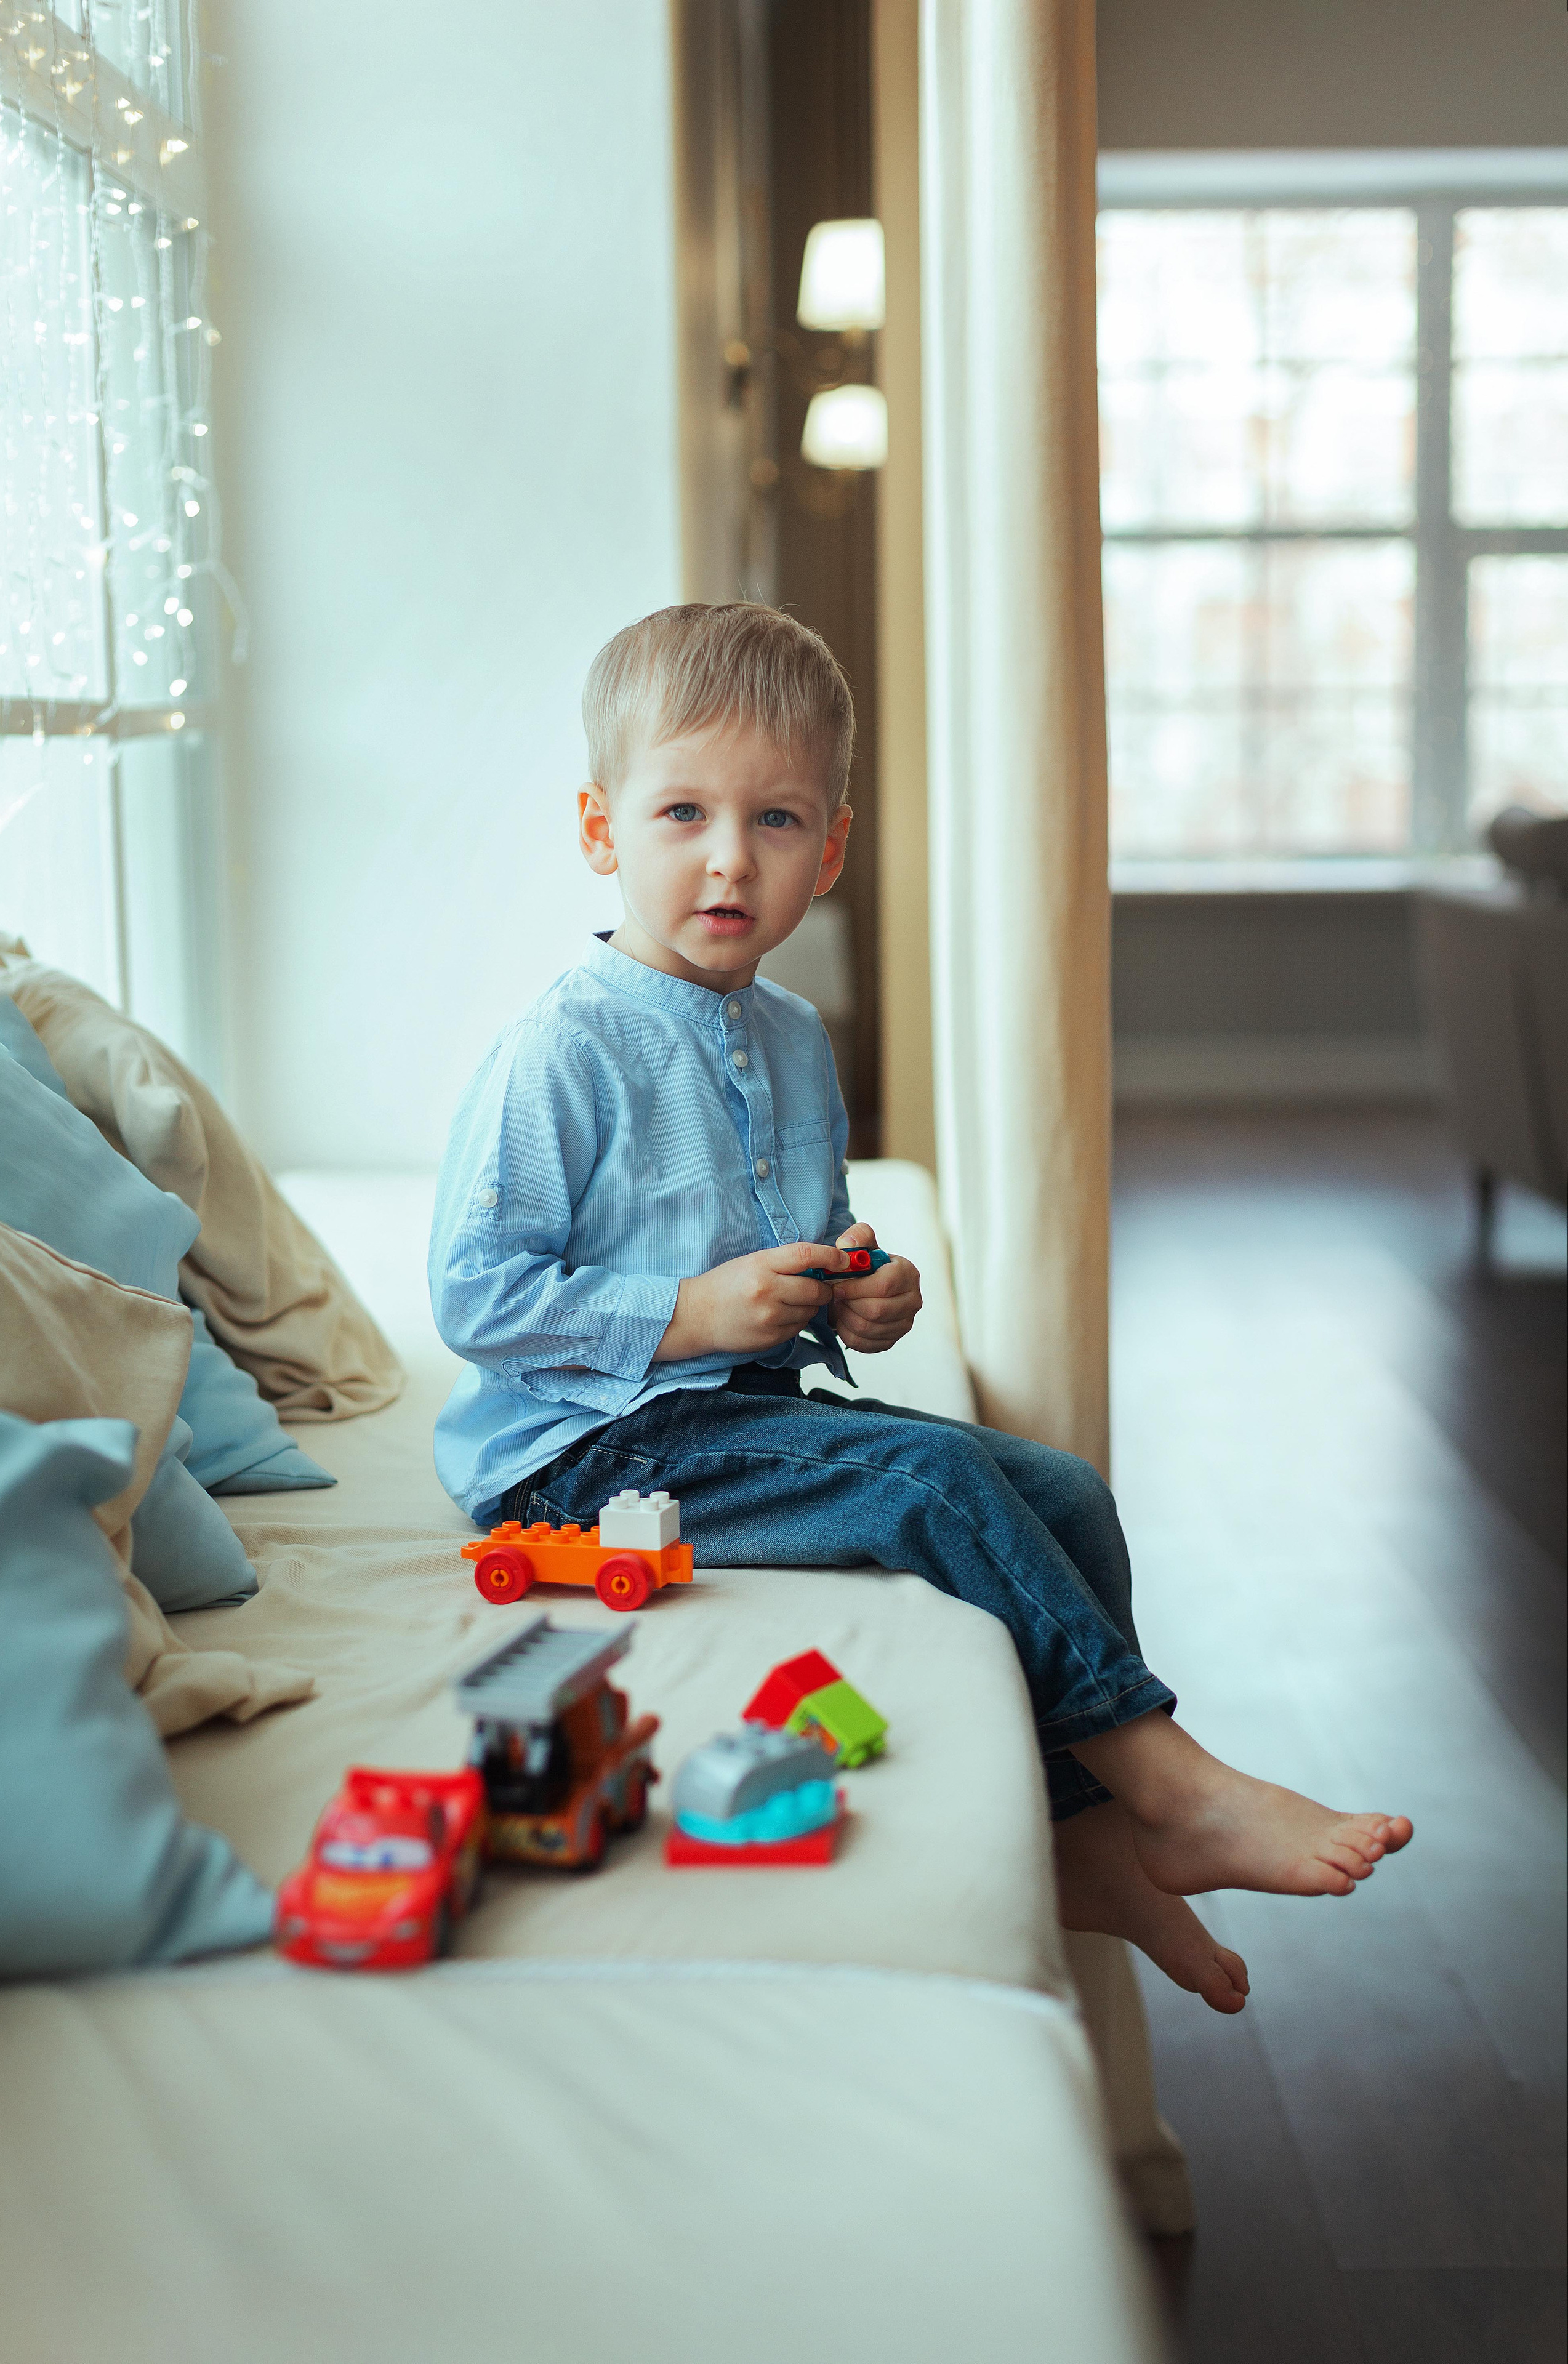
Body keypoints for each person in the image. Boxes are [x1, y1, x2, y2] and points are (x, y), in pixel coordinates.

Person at [428, 602, 1412, 2014]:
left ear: (826, 850)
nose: (725, 858)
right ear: (601, 828)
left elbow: (801, 1261)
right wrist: (688, 1317)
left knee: (1062, 1492)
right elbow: (477, 1294)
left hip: (737, 1420)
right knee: (926, 1472)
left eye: (774, 821)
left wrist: (856, 1299)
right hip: (586, 1460)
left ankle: (1083, 1842)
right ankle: (1172, 1786)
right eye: (682, 812)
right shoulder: (557, 1049)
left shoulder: (791, 1035)